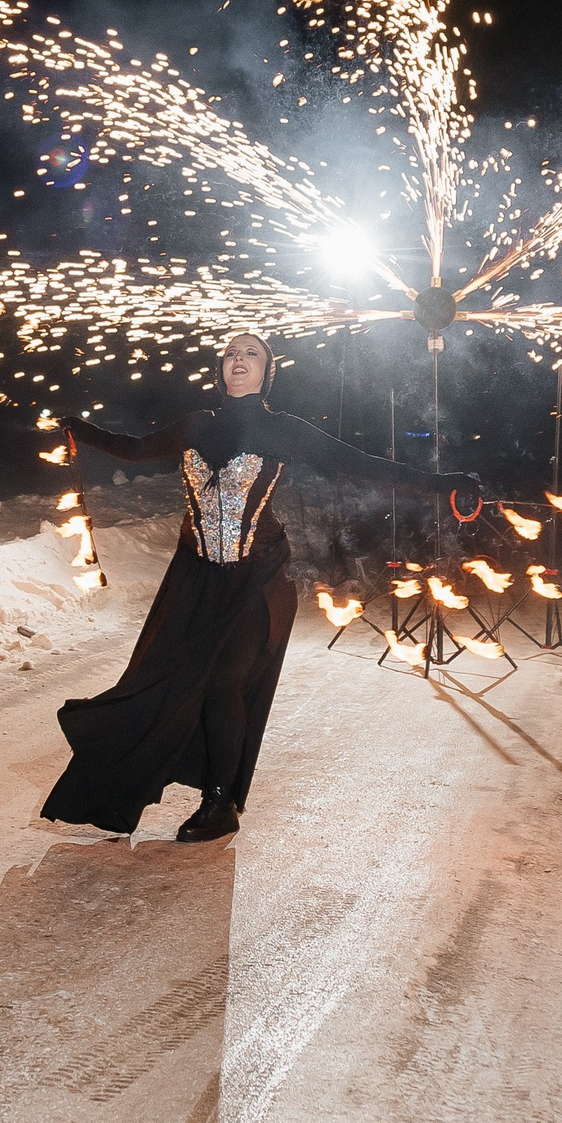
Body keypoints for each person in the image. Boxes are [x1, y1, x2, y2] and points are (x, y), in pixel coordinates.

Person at [40, 330, 477, 842]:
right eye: (230, 353)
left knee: (226, 681)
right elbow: (133, 449)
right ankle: (126, 781)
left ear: (268, 371)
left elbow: (361, 465)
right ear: (220, 370)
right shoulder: (196, 425)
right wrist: (81, 429)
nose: (238, 359)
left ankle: (220, 803)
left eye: (251, 353)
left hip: (257, 578)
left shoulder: (282, 430)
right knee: (166, 682)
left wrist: (445, 481)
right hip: (196, 579)